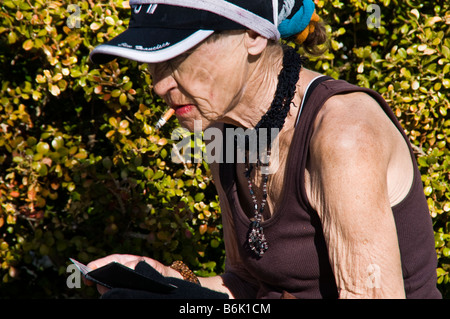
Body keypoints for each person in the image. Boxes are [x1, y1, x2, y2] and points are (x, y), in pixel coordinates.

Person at [88, 0, 441, 299]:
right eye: (153, 62)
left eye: (178, 55)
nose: (160, 84)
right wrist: (171, 284)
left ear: (253, 35)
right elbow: (248, 284)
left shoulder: (343, 136)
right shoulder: (222, 132)